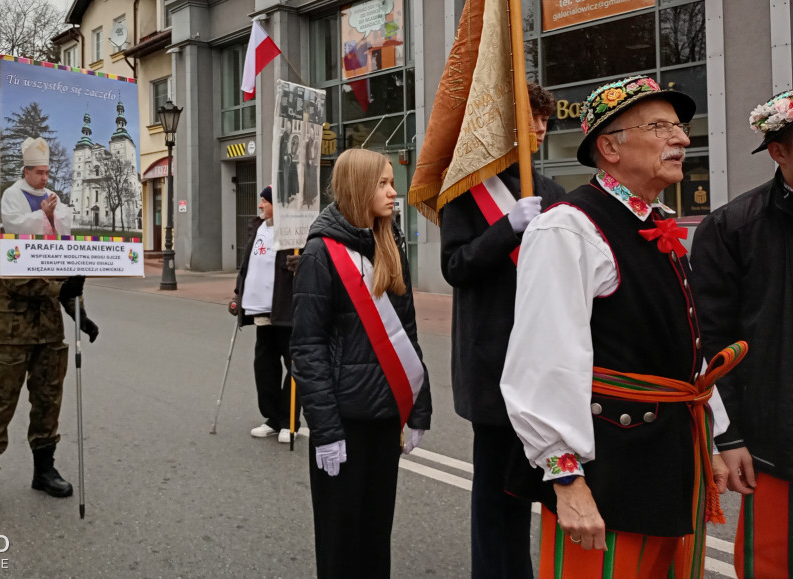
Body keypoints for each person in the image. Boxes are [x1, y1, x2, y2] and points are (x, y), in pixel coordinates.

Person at [500, 75, 738, 578]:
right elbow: (543, 361)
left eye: (679, 126)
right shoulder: (569, 227)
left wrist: (711, 438)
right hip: (608, 470)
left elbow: (681, 345)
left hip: (666, 456)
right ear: (609, 147)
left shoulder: (651, 220)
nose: (681, 139)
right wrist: (567, 481)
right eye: (659, 127)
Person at [439, 82, 566, 578]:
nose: (539, 129)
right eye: (530, 119)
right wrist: (505, 228)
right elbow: (456, 265)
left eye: (544, 121)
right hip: (491, 360)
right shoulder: (468, 191)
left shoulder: (553, 192)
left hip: (542, 362)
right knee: (495, 492)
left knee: (540, 485)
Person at [291, 148, 432, 579]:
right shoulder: (320, 254)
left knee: (375, 536)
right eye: (384, 184)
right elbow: (307, 347)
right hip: (344, 422)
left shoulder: (389, 244)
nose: (395, 193)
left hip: (384, 418)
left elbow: (406, 335)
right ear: (357, 187)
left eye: (393, 182)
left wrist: (419, 409)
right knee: (340, 542)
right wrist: (326, 431)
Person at [691, 88, 793, 579]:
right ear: (778, 150)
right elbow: (712, 341)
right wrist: (727, 435)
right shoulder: (731, 227)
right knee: (769, 564)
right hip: (775, 440)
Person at [0, 219, 99, 514]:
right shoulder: (3, 228)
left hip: (50, 333)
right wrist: (61, 287)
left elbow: (65, 277)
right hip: (11, 333)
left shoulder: (53, 229)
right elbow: (14, 277)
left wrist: (79, 313)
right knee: (1, 403)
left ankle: (44, 470)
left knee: (48, 401)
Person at [231, 185, 301, 443]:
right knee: (264, 365)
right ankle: (272, 418)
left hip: (286, 309)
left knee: (294, 365)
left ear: (278, 205)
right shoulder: (258, 228)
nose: (260, 206)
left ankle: (290, 421)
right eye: (261, 201)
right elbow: (247, 265)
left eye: (265, 201)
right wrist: (238, 294)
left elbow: (311, 261)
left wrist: (300, 261)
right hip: (260, 309)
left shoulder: (295, 232)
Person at [1, 138, 72, 236]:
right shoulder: (11, 194)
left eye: (47, 172)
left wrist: (51, 216)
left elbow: (66, 221)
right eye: (39, 173)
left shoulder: (51, 195)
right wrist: (44, 213)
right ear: (27, 172)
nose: (45, 178)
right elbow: (14, 226)